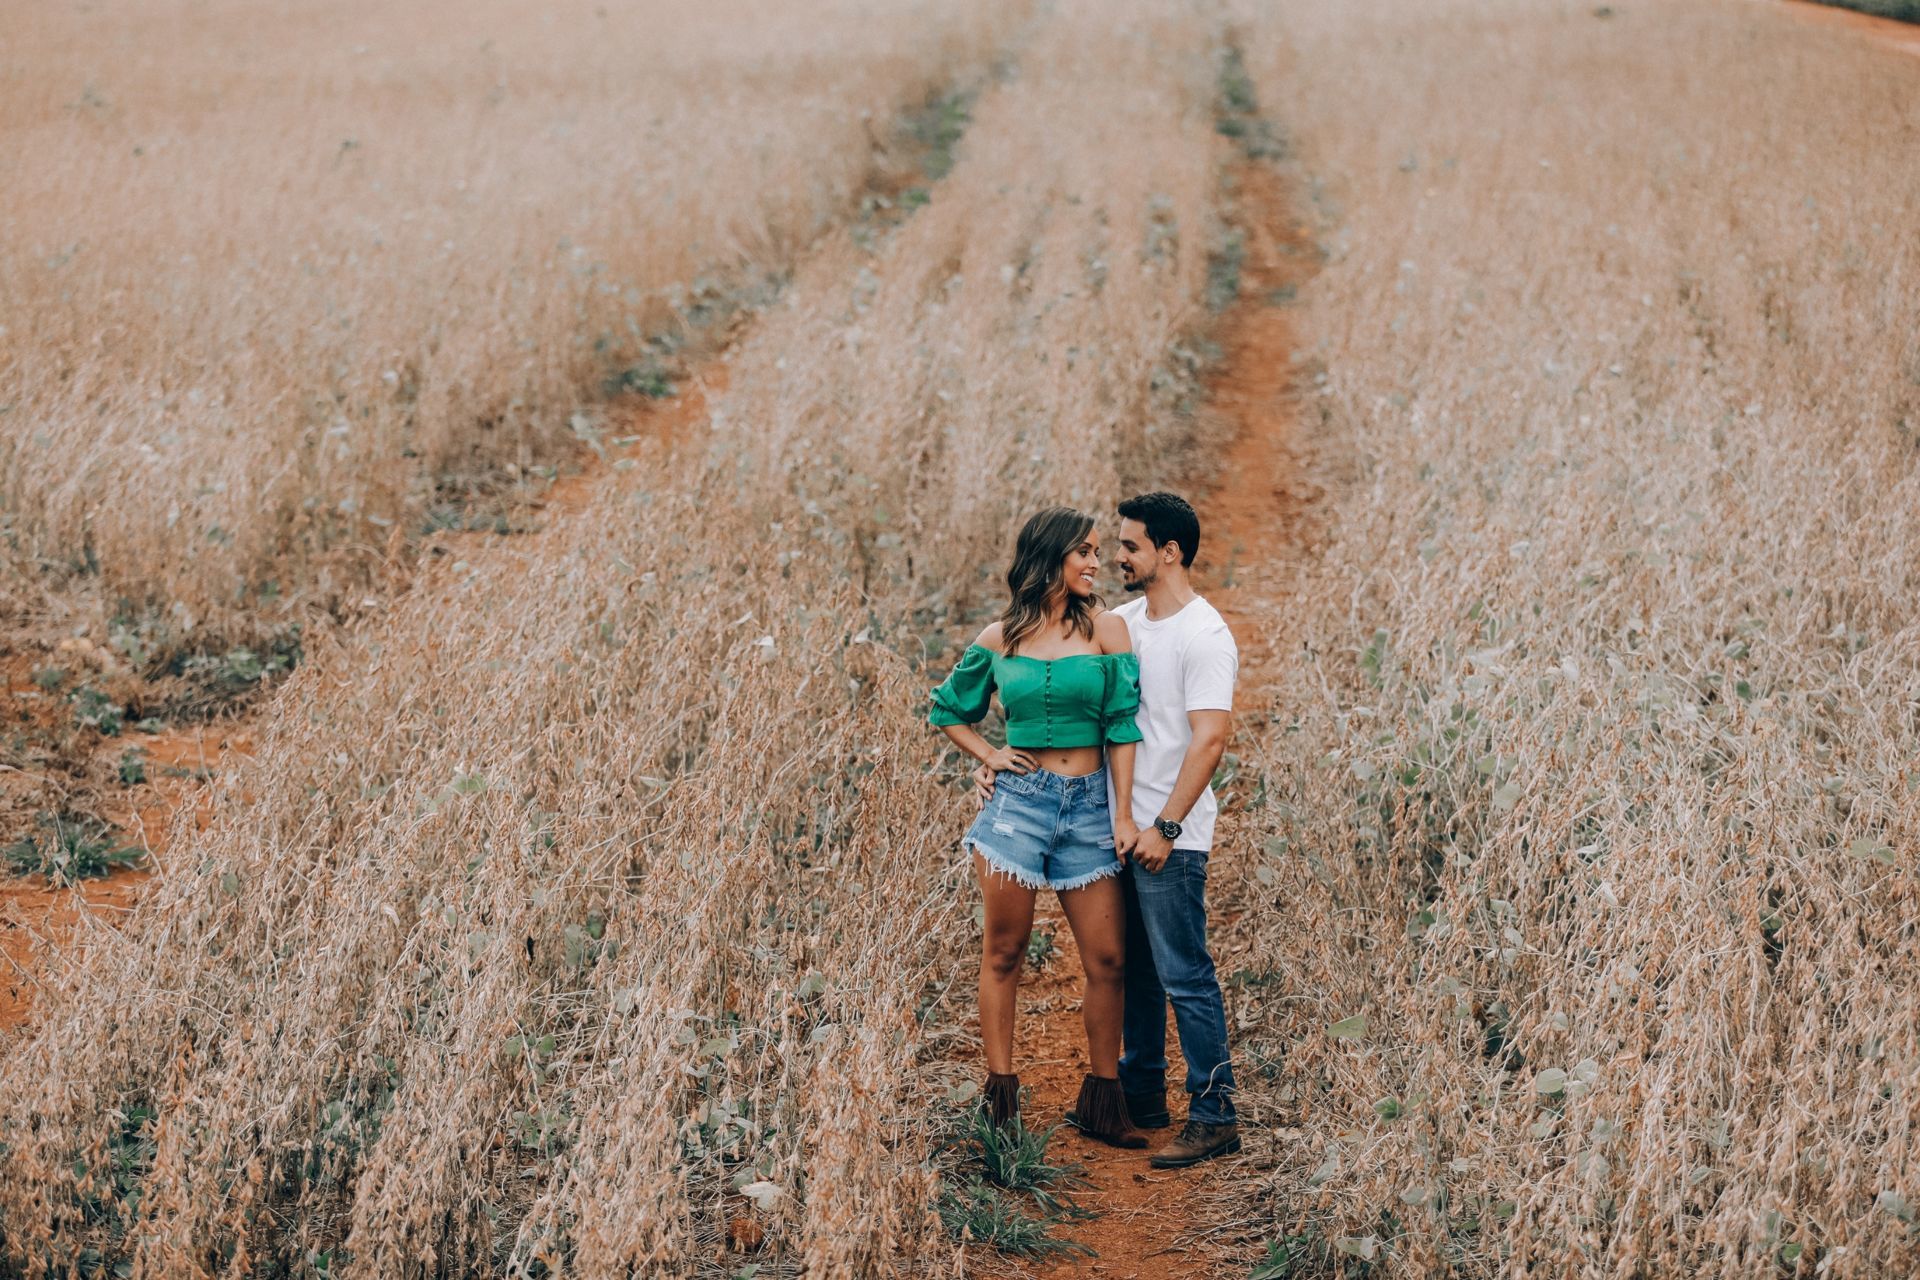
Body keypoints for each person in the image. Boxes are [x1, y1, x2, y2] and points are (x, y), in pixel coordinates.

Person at [976, 492, 1241, 1168]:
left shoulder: (1203, 635)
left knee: (1182, 973)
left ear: (1169, 552)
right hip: (1104, 817)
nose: (1114, 558)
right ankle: (1140, 1094)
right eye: (1099, 549)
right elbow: (1056, 693)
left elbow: (1210, 741)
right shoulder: (1119, 622)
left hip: (1165, 829)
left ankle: (1215, 1114)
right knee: (1138, 970)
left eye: (1127, 547)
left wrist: (1165, 825)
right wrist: (992, 764)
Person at [928, 506, 1147, 1148]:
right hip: (1017, 807)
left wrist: (1124, 813)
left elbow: (1123, 726)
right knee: (1004, 953)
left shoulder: (1107, 630)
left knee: (1107, 959)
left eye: (1099, 552)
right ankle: (1000, 1102)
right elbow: (947, 708)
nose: (1095, 563)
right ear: (1051, 557)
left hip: (1088, 807)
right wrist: (987, 754)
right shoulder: (999, 638)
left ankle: (1103, 1105)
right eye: (1084, 552)